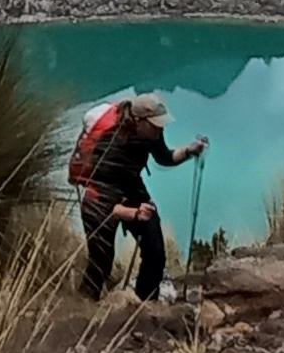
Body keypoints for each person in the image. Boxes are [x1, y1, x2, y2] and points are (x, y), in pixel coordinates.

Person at [75, 91, 209, 301]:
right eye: (155, 125)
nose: (160, 129)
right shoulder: (111, 142)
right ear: (138, 121)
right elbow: (108, 206)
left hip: (131, 189)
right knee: (100, 262)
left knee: (155, 252)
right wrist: (134, 213)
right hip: (100, 197)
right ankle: (82, 308)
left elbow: (163, 156)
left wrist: (189, 151)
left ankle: (146, 304)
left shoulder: (150, 132)